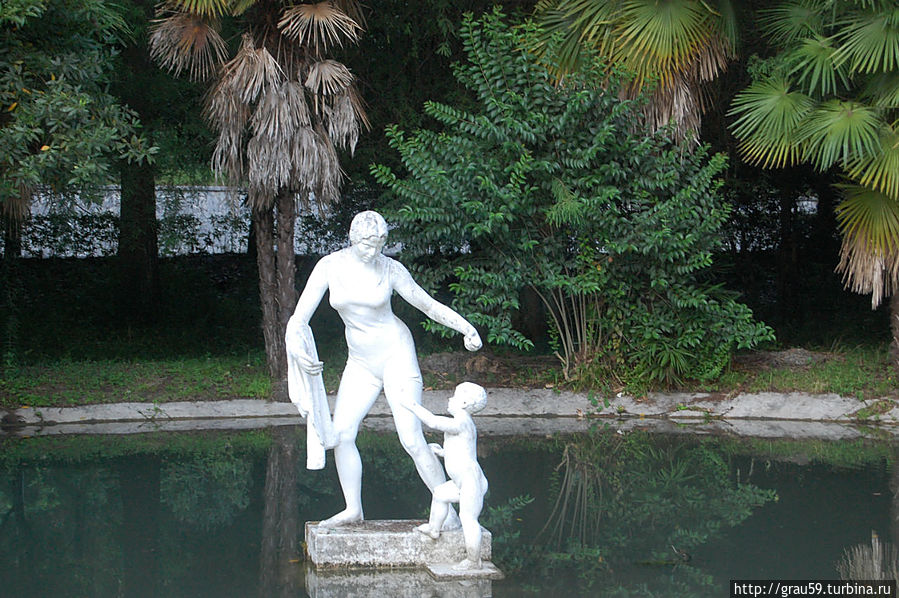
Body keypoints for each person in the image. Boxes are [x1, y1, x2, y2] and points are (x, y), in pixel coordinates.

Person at [285, 211, 482, 528]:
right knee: (341, 434)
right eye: (367, 244)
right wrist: (296, 348)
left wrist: (466, 328)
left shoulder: (390, 269)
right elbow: (298, 320)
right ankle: (353, 509)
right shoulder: (330, 267)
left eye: (379, 245)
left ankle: (449, 513)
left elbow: (427, 304)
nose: (373, 251)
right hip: (360, 361)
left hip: (396, 355)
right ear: (353, 238)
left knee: (411, 439)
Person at [401, 382, 489, 570]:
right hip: (461, 481)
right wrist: (442, 452)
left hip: (470, 482)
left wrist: (412, 405)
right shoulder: (460, 423)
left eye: (454, 396)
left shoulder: (462, 422)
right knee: (440, 494)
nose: (449, 399)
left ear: (464, 403)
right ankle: (434, 529)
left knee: (468, 518)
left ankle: (474, 561)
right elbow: (462, 450)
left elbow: (433, 422)